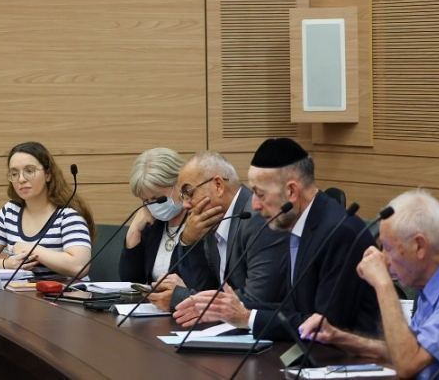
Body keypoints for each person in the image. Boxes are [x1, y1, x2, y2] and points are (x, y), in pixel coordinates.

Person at [173, 137, 379, 340]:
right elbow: (291, 306)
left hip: (348, 357)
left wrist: (247, 317)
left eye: (260, 194)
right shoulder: (301, 223)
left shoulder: (339, 232)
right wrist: (231, 309)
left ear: (291, 191)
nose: (254, 205)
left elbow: (328, 327)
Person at [299, 190, 439, 380]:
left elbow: (408, 363)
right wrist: (338, 337)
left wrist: (382, 283)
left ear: (419, 246)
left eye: (388, 248)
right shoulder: (428, 287)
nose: (383, 258)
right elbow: (406, 350)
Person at [174, 150, 287, 307]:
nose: (185, 205)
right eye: (183, 197)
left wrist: (180, 298)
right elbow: (205, 288)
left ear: (218, 186)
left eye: (189, 193)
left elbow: (257, 298)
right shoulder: (213, 220)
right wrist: (188, 241)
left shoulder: (258, 218)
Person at [0, 141, 93, 278]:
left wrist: (31, 249)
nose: (21, 179)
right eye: (14, 173)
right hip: (21, 290)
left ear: (48, 174)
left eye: (29, 171)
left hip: (63, 291)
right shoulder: (10, 212)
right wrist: (6, 264)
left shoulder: (68, 215)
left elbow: (79, 266)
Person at [118, 147, 189, 311]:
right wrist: (134, 231)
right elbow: (131, 280)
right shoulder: (153, 225)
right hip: (155, 312)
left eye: (156, 198)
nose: (152, 205)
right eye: (146, 200)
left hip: (188, 312)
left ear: (179, 183)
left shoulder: (200, 222)